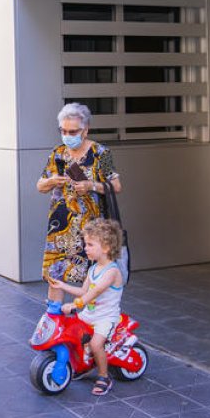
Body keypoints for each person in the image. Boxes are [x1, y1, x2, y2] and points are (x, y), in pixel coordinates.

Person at [36, 102, 122, 302]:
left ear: (85, 130)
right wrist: (51, 181)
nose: (67, 135)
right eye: (63, 130)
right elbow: (39, 185)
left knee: (93, 280)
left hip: (91, 230)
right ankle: (54, 321)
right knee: (54, 276)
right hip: (59, 229)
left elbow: (116, 185)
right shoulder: (57, 153)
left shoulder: (101, 153)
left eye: (72, 131)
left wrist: (90, 185)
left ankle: (90, 323)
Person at [51, 218, 125, 396]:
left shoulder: (112, 272)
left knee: (95, 343)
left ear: (106, 247)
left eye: (90, 244)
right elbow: (83, 290)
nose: (86, 248)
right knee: (71, 334)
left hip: (105, 318)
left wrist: (76, 304)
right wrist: (62, 286)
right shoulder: (93, 270)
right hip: (89, 314)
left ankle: (103, 376)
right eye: (86, 244)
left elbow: (95, 292)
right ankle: (83, 364)